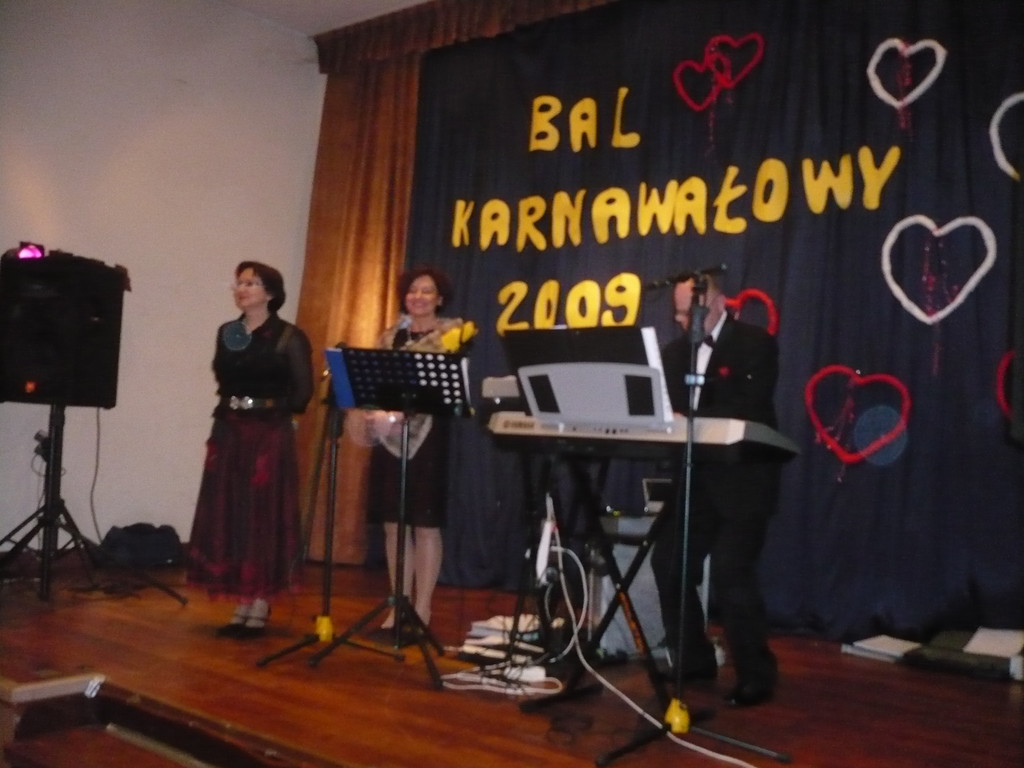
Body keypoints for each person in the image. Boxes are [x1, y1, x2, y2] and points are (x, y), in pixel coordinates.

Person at [650, 272, 782, 707]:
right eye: (678, 313)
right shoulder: (672, 355)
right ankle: (693, 659)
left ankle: (756, 673)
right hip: (696, 477)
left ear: (720, 305)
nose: (682, 320)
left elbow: (750, 406)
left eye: (691, 312)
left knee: (731, 571)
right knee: (668, 561)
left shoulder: (755, 344)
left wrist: (690, 417)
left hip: (744, 479)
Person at [187, 261, 313, 638]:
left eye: (252, 283)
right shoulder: (228, 332)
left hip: (268, 431)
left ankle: (260, 601)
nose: (242, 289)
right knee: (231, 512)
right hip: (229, 428)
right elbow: (223, 378)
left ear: (270, 292)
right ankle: (240, 598)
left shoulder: (289, 336)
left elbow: (303, 392)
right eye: (239, 283)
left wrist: (276, 418)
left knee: (262, 515)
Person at [363, 265, 464, 632]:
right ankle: (399, 604)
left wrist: (404, 413)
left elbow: (446, 390)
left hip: (428, 436)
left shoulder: (452, 335)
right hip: (389, 436)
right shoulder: (390, 336)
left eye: (427, 291)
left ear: (440, 298)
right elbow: (373, 384)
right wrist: (380, 413)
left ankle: (423, 608)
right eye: (412, 290)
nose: (418, 297)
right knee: (394, 523)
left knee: (425, 523)